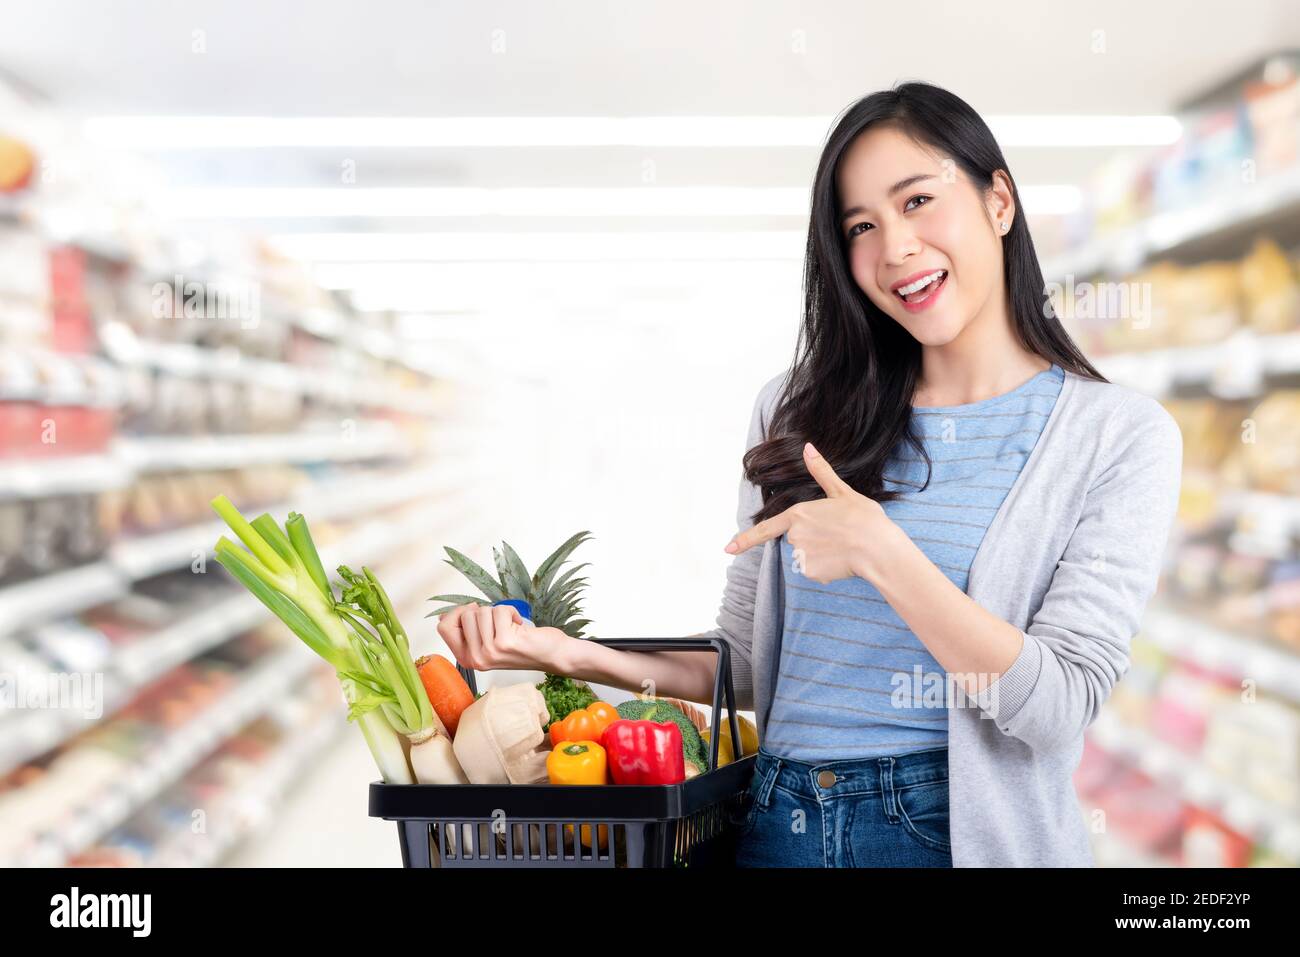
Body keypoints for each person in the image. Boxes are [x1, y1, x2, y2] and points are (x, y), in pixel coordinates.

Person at [436, 81, 1183, 868]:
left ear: (1000, 200)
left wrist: (883, 553)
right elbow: (750, 663)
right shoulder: (800, 410)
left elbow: (1058, 705)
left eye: (919, 200)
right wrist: (575, 654)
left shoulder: (1116, 436)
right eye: (861, 225)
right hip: (776, 820)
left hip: (951, 832)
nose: (894, 247)